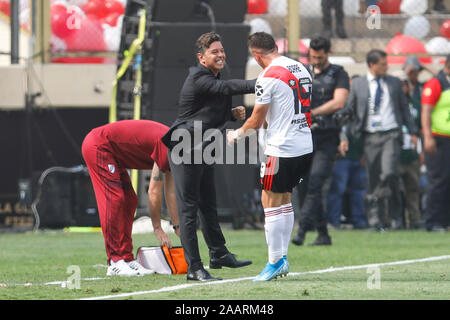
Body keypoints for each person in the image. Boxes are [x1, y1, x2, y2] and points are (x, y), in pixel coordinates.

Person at [161, 31, 254, 282]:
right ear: (202, 58)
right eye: (215, 51)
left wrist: (230, 115)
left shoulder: (212, 77)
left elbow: (203, 113)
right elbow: (225, 88)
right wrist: (262, 83)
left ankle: (219, 254)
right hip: (186, 147)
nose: (221, 54)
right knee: (189, 210)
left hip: (203, 146)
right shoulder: (198, 77)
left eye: (222, 50)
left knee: (208, 205)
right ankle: (194, 268)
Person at [227, 31, 313, 281]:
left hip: (282, 148)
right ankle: (282, 258)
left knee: (270, 201)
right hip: (304, 144)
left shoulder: (267, 76)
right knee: (284, 199)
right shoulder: (300, 67)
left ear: (256, 55)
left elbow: (256, 121)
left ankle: (275, 261)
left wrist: (236, 135)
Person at [81, 119, 180, 277]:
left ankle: (126, 258)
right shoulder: (170, 145)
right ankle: (115, 261)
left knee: (129, 200)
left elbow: (171, 192)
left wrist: (177, 227)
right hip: (98, 145)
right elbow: (154, 191)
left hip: (112, 153)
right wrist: (157, 228)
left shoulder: (176, 147)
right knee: (115, 199)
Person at [345, 49, 419, 231]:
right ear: (372, 65)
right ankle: (375, 220)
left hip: (391, 134)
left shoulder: (394, 83)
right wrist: (344, 135)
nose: (386, 67)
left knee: (389, 173)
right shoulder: (359, 84)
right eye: (383, 64)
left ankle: (394, 216)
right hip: (370, 136)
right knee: (373, 177)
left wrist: (413, 132)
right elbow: (349, 110)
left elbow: (404, 110)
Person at [292, 36, 350, 246]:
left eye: (319, 56)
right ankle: (323, 234)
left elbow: (339, 102)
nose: (315, 60)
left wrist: (313, 113)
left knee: (316, 183)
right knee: (304, 186)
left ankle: (302, 230)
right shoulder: (303, 72)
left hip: (327, 137)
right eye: (312, 56)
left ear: (328, 53)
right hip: (304, 136)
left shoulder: (339, 73)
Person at [421, 54, 450, 232]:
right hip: (439, 139)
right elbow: (426, 111)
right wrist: (428, 136)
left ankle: (446, 220)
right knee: (438, 181)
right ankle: (433, 221)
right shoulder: (436, 83)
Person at [398, 57, 424, 229]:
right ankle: (398, 220)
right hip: (397, 150)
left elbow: (420, 125)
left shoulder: (417, 100)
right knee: (397, 189)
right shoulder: (393, 105)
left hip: (413, 150)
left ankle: (414, 220)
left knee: (413, 188)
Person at [327, 121, 368, 230]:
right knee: (337, 190)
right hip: (341, 158)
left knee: (359, 191)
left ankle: (359, 221)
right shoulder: (337, 115)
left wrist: (364, 153)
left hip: (358, 157)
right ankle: (334, 220)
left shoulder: (359, 114)